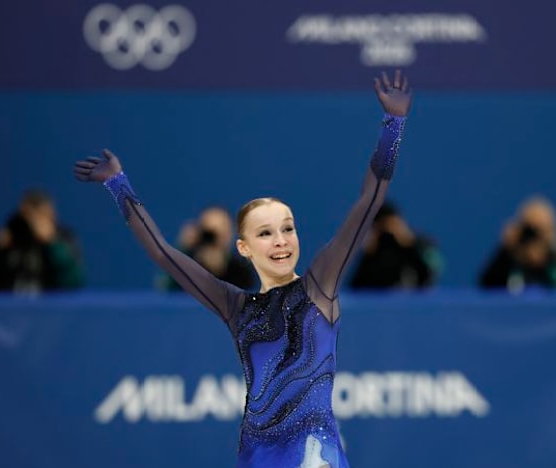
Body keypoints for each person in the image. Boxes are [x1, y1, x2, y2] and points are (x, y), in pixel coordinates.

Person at [73, 70, 412, 468]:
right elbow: (165, 254)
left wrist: (393, 125)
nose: (281, 240)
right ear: (244, 248)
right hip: (256, 456)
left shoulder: (320, 286)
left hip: (314, 456)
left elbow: (369, 202)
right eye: (266, 233)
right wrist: (118, 185)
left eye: (287, 228)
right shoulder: (236, 306)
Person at [0, 189, 84, 293]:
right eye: (29, 216)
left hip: (50, 306)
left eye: (41, 217)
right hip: (10, 306)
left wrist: (52, 244)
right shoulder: (11, 237)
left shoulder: (63, 238)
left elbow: (74, 281)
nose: (35, 224)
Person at [479, 196, 556, 292]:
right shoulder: (507, 268)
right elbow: (485, 287)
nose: (535, 238)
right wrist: (505, 248)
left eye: (541, 231)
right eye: (530, 230)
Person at [159, 206, 256, 291]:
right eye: (210, 233)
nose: (215, 239)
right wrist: (182, 249)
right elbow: (165, 289)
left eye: (222, 232)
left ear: (230, 234)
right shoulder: (185, 266)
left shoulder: (242, 268)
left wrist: (220, 269)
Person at [348, 201, 442, 290]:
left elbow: (431, 274)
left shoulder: (419, 245)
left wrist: (410, 244)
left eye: (391, 225)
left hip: (411, 299)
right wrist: (368, 254)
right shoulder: (373, 251)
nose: (387, 234)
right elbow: (357, 288)